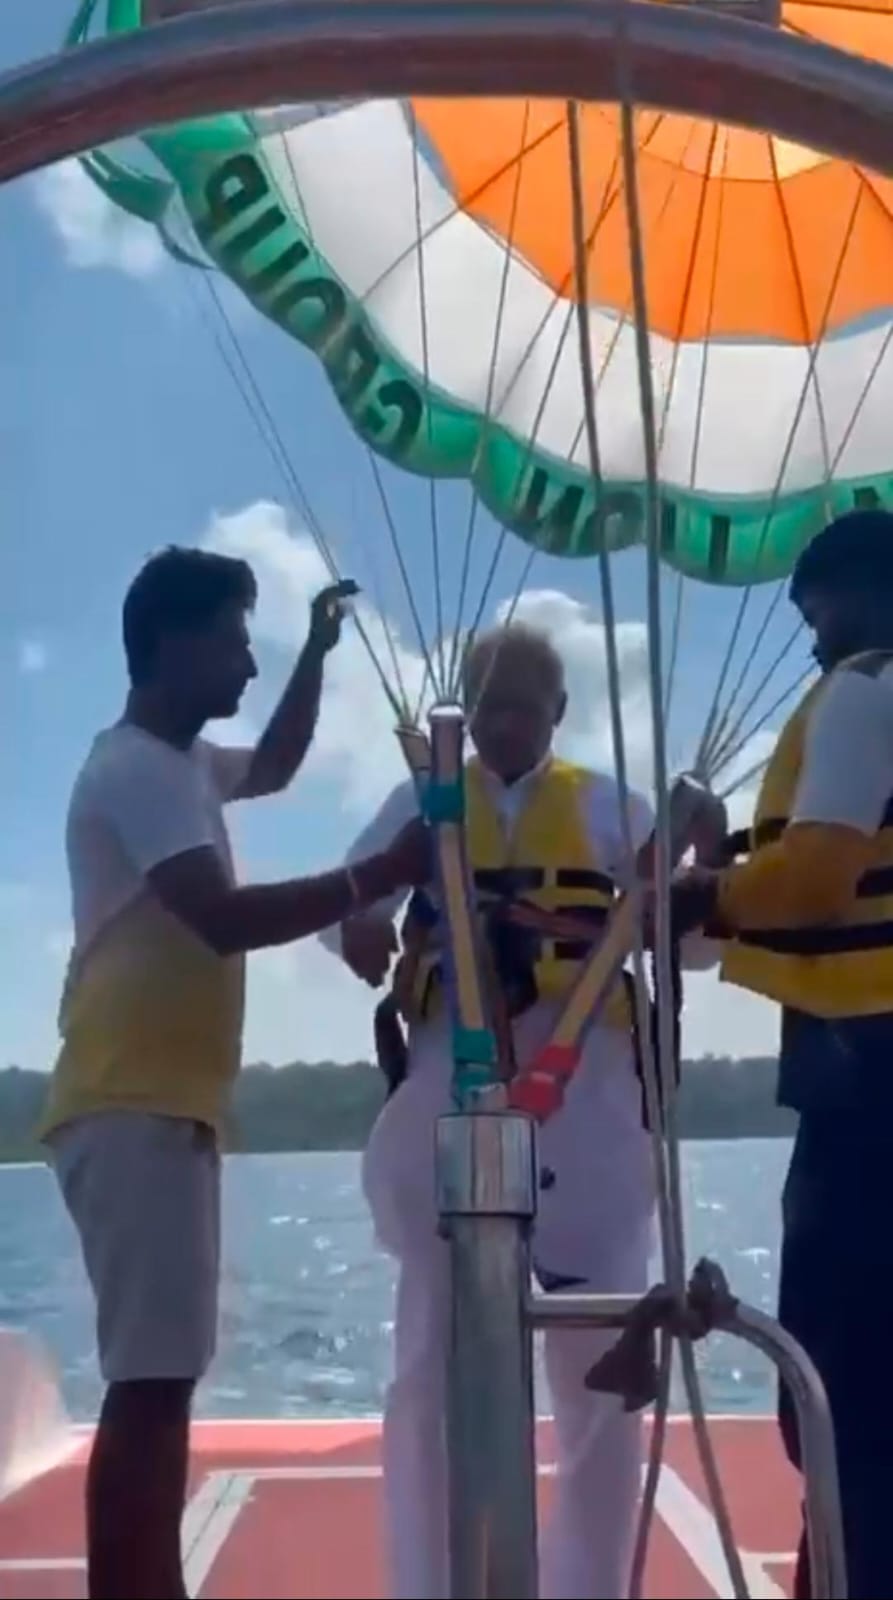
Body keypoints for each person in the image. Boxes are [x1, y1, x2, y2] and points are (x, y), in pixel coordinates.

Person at [39, 547, 429, 1600]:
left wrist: (315, 652)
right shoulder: (135, 770)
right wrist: (381, 872)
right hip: (130, 1103)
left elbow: (279, 765)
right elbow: (217, 917)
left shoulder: (183, 766)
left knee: (160, 1379)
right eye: (234, 644)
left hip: (157, 1105)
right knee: (149, 1385)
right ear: (171, 644)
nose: (247, 667)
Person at [321, 622, 723, 1600]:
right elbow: (350, 904)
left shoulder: (609, 805)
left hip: (588, 1098)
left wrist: (702, 857)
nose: (503, 723)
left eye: (522, 706)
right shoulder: (423, 800)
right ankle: (430, 1583)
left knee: (602, 1365)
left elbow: (694, 944)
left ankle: (587, 1586)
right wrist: (360, 927)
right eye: (487, 704)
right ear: (464, 707)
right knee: (427, 1361)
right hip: (447, 1085)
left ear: (556, 712)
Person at [669, 507, 893, 1599]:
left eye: (816, 618)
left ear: (861, 596)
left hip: (866, 1094)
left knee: (845, 1399)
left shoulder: (864, 690)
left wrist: (699, 890)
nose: (811, 644)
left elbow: (812, 880)